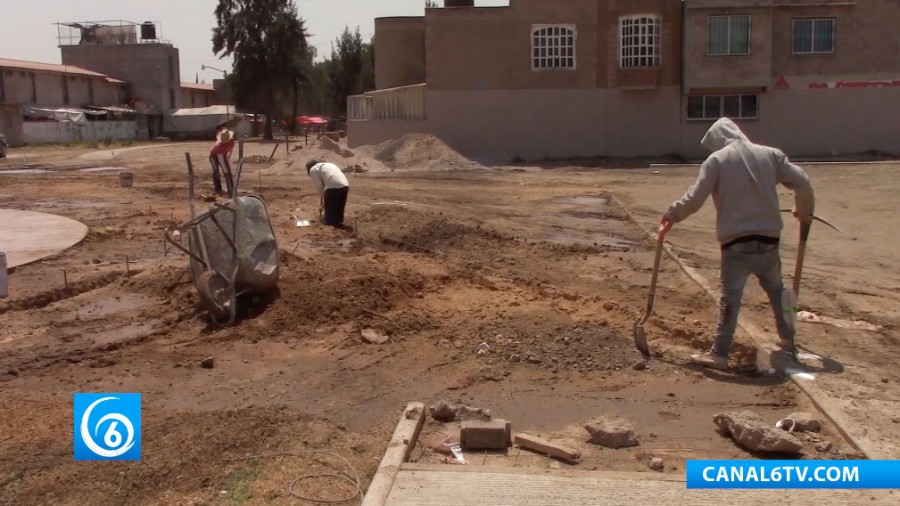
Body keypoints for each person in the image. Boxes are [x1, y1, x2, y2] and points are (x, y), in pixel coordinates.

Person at [660, 117, 814, 370]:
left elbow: (695, 198)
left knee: (730, 298)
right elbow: (803, 181)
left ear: (718, 140)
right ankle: (788, 340)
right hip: (768, 239)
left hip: (736, 242)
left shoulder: (717, 160)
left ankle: (719, 354)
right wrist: (804, 210)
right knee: (778, 291)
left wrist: (671, 215)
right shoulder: (771, 155)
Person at [306, 160, 350, 228]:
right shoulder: (327, 165)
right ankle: (339, 224)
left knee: (330, 208)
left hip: (333, 186)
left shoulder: (313, 169)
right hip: (345, 185)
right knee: (339, 207)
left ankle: (329, 227)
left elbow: (319, 186)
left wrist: (324, 200)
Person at [209, 126, 235, 196]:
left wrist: (228, 158)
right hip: (214, 157)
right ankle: (218, 189)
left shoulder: (231, 141)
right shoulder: (219, 146)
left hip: (222, 156)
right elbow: (220, 159)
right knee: (216, 171)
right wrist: (225, 169)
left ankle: (231, 189)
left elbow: (231, 150)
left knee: (228, 173)